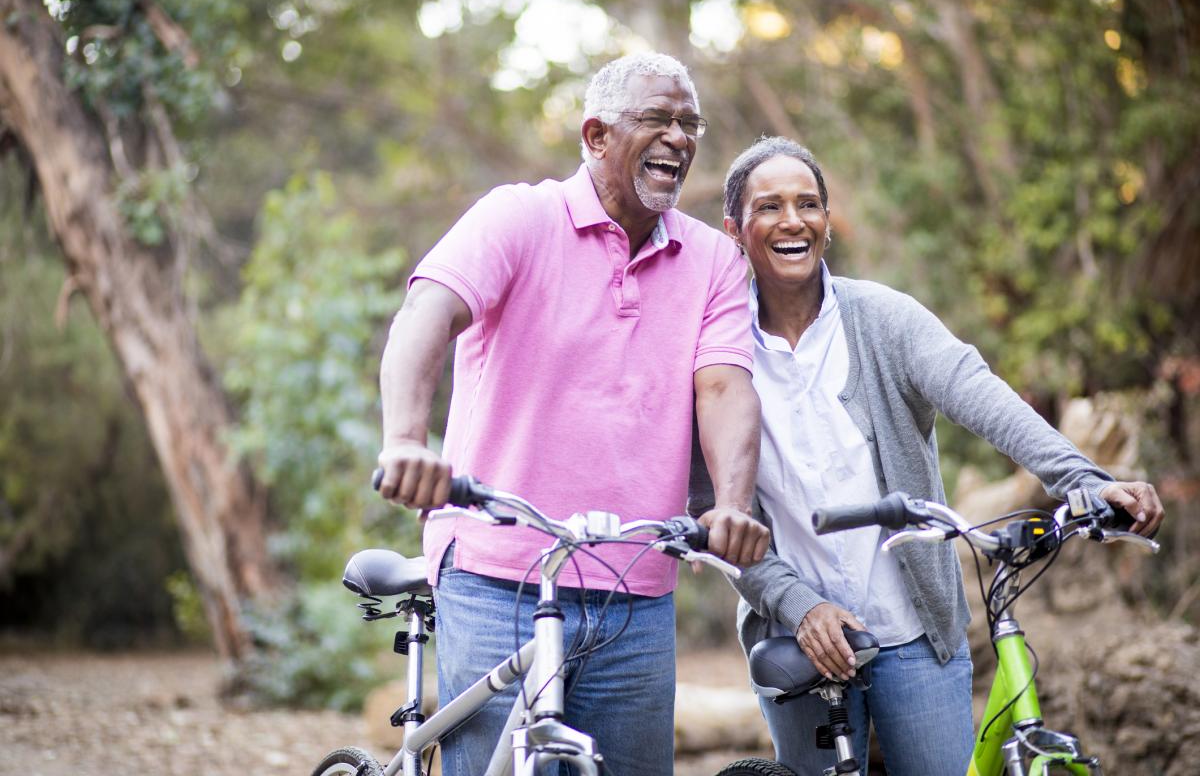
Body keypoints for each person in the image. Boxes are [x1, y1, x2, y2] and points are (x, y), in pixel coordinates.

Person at [690, 136, 1165, 775]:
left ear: (828, 223)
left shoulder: (885, 319)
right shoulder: (717, 350)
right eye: (769, 207)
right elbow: (714, 511)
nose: (792, 220)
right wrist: (799, 607)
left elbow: (980, 394)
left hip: (913, 630)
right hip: (792, 635)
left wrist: (1080, 477)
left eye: (808, 204)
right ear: (735, 229)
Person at [375, 53, 771, 776]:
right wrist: (406, 441)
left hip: (636, 589)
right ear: (595, 135)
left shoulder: (714, 258)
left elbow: (724, 388)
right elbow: (424, 315)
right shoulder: (519, 217)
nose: (680, 138)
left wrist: (734, 506)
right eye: (657, 119)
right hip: (500, 574)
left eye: (690, 123)